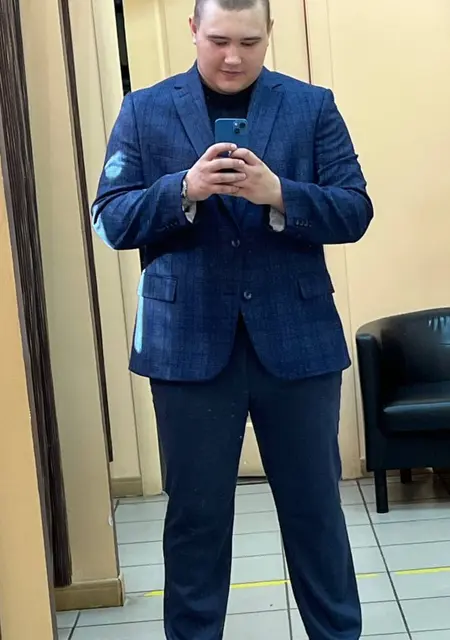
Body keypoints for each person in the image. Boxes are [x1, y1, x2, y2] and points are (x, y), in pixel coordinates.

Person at [92, 0, 373, 637]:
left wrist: (280, 194)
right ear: (193, 29)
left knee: (316, 515)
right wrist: (183, 190)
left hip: (297, 345)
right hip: (186, 347)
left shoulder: (311, 106)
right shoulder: (144, 109)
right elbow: (110, 219)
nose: (232, 57)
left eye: (249, 42)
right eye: (218, 40)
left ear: (269, 32)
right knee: (196, 520)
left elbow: (355, 210)